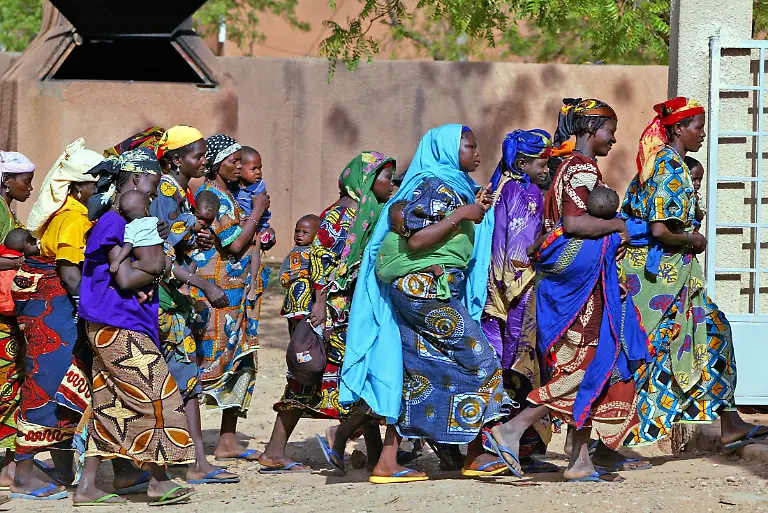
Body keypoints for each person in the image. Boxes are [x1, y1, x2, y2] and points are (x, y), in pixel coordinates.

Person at [487, 99, 651, 482]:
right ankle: (510, 430)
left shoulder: (571, 168)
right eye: (610, 129)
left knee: (590, 364)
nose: (614, 138)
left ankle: (579, 461)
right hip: (575, 292)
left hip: (580, 285)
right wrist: (617, 228)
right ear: (592, 129)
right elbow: (575, 225)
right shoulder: (579, 169)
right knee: (588, 366)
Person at [339, 125, 507, 484]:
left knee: (418, 371)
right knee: (483, 360)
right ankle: (476, 452)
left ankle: (388, 461)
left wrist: (474, 209)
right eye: (469, 146)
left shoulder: (451, 185)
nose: (477, 152)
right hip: (423, 288)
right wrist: (462, 215)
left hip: (431, 287)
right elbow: (415, 240)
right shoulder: (435, 185)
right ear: (448, 149)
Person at [620, 97, 768, 453]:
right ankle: (620, 439)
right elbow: (659, 230)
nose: (702, 134)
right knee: (651, 351)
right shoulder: (668, 168)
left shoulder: (675, 166)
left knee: (713, 334)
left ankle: (729, 423)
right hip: (660, 278)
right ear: (677, 130)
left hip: (677, 276)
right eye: (697, 127)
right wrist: (693, 239)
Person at [75, 147, 196, 506]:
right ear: (136, 181)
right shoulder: (114, 224)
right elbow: (125, 278)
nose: (155, 194)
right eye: (152, 185)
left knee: (111, 403)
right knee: (160, 398)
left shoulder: (125, 223)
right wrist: (153, 264)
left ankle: (87, 487)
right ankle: (159, 481)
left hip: (116, 323)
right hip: (118, 325)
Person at [261, 151, 395, 474]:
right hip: (332, 311)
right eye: (385, 177)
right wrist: (320, 303)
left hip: (351, 308)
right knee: (316, 377)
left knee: (353, 377)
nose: (391, 184)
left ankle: (374, 452)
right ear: (365, 180)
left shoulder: (368, 214)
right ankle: (276, 451)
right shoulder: (337, 218)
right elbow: (319, 259)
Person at [9, 140, 102, 501]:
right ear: (79, 186)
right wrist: (88, 306)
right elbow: (68, 270)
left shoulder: (70, 211)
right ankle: (23, 473)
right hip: (53, 306)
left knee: (65, 380)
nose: (101, 189)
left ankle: (61, 463)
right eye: (96, 183)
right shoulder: (74, 217)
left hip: (49, 304)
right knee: (46, 381)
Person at [150, 125, 237, 484]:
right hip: (164, 300)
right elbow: (159, 250)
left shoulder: (181, 192)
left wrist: (194, 237)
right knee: (183, 380)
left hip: (171, 298)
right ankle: (194, 463)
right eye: (197, 156)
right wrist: (202, 283)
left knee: (183, 382)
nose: (204, 161)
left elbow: (174, 239)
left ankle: (191, 460)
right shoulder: (166, 192)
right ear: (175, 159)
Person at [480, 129, 557, 475]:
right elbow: (516, 253)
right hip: (519, 291)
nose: (547, 168)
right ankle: (515, 445)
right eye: (541, 162)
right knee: (520, 367)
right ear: (523, 162)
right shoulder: (523, 192)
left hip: (498, 294)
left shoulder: (504, 188)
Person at [192, 134, 270, 463]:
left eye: (241, 161)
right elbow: (235, 244)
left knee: (241, 361)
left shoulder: (231, 195)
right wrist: (258, 212)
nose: (239, 167)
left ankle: (227, 440)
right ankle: (189, 443)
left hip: (238, 293)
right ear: (216, 162)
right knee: (201, 363)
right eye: (233, 161)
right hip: (216, 294)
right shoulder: (213, 197)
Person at [0, 151, 34, 495]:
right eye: (25, 179)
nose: (30, 186)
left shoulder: (7, 210)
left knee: (12, 386)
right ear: (7, 179)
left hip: (9, 314)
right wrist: (19, 260)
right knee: (6, 387)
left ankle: (9, 468)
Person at [233, 146, 273, 302]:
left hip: (256, 225)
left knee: (256, 248)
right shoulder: (231, 187)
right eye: (253, 168)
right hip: (243, 226)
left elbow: (258, 209)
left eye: (260, 168)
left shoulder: (258, 186)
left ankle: (253, 283)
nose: (258, 172)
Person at [108, 190, 165, 276]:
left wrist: (117, 261)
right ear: (146, 210)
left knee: (126, 267)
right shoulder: (154, 220)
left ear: (122, 215)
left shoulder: (130, 227)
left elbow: (128, 245)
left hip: (145, 264)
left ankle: (138, 290)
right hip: (162, 263)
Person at [279, 214, 321, 320]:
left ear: (317, 234)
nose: (299, 235)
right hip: (295, 299)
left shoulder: (315, 253)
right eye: (297, 231)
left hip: (308, 299)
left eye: (305, 232)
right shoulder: (298, 251)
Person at [684, 156, 706, 231]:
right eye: (694, 179)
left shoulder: (698, 197)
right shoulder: (678, 196)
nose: (698, 183)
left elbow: (700, 217)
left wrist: (695, 203)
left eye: (700, 179)